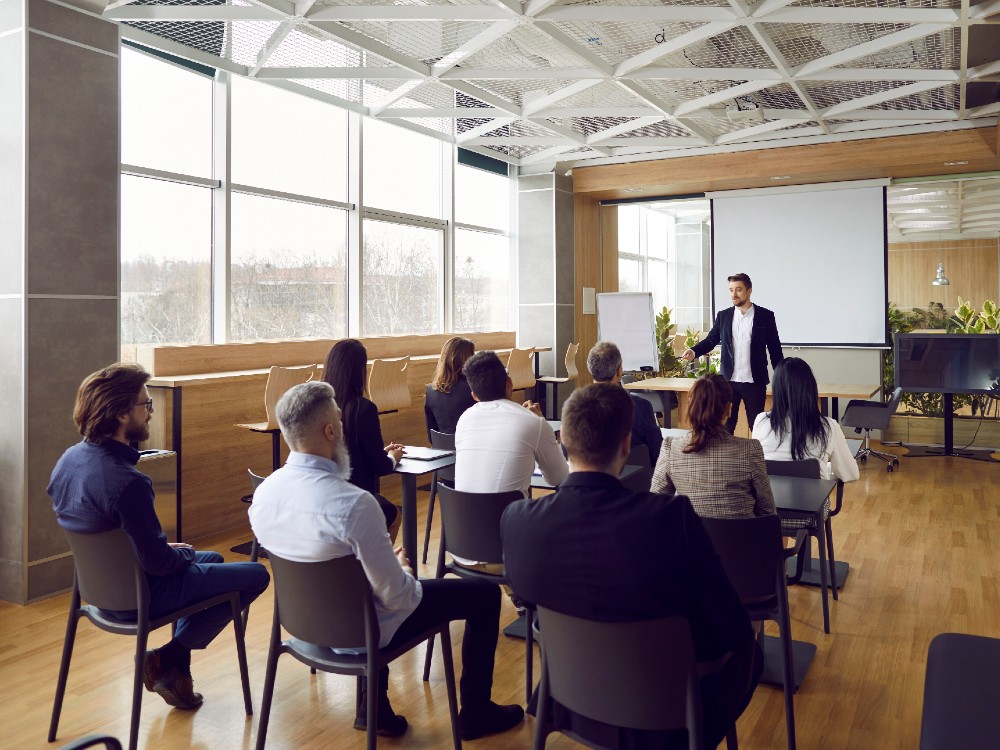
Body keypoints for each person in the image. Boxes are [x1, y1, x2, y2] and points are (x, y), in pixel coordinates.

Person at [248, 381, 524, 740]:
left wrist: (381, 570)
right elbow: (401, 599)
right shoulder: (354, 505)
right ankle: (475, 711)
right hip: (361, 632)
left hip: (302, 629)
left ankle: (374, 710)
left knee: (366, 585)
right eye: (340, 426)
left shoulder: (264, 494)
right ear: (330, 431)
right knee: (484, 596)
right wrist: (402, 571)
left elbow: (322, 562)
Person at [501, 383, 761, 749]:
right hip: (664, 714)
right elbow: (732, 626)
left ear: (562, 442)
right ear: (626, 444)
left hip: (570, 698)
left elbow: (527, 599)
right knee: (751, 652)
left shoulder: (517, 521)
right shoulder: (671, 520)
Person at [48, 362, 270, 711]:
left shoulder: (69, 461)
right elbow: (159, 562)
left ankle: (174, 669)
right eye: (146, 404)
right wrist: (178, 552)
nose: (151, 412)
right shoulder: (128, 482)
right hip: (139, 597)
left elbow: (115, 540)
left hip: (96, 594)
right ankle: (170, 655)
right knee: (256, 575)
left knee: (211, 559)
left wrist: (170, 552)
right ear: (122, 414)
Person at [651, 373, 775, 519]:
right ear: (729, 409)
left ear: (691, 406)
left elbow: (655, 506)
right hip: (740, 541)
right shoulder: (750, 449)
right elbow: (767, 512)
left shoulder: (671, 447)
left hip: (690, 540)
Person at [454, 350, 568, 497]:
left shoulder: (464, 419)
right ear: (509, 382)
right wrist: (541, 422)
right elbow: (558, 478)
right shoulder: (533, 422)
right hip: (510, 518)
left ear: (474, 396)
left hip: (461, 517)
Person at [683, 272, 783, 434]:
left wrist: (782, 378)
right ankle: (726, 459)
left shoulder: (765, 316)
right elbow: (711, 341)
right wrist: (694, 351)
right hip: (728, 383)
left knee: (757, 428)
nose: (733, 294)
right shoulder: (723, 316)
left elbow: (774, 349)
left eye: (738, 290)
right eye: (731, 290)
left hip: (754, 382)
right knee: (726, 427)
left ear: (749, 291)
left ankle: (758, 459)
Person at [323, 339, 403, 539]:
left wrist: (380, 451)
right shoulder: (362, 408)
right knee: (394, 515)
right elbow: (380, 467)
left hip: (324, 500)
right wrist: (393, 457)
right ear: (359, 371)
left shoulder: (319, 405)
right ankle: (374, 567)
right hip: (356, 502)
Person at [752, 357, 860, 483]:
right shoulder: (828, 426)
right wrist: (826, 467)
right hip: (813, 502)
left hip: (770, 502)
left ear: (777, 390)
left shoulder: (761, 421)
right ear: (811, 388)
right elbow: (851, 474)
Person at [586, 340, 662, 465]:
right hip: (635, 481)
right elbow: (657, 453)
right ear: (619, 371)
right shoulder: (640, 407)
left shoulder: (574, 407)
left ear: (590, 368)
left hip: (590, 481)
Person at [424, 336, 476, 438]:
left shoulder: (430, 391)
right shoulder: (475, 389)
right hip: (471, 448)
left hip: (442, 449)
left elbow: (431, 436)